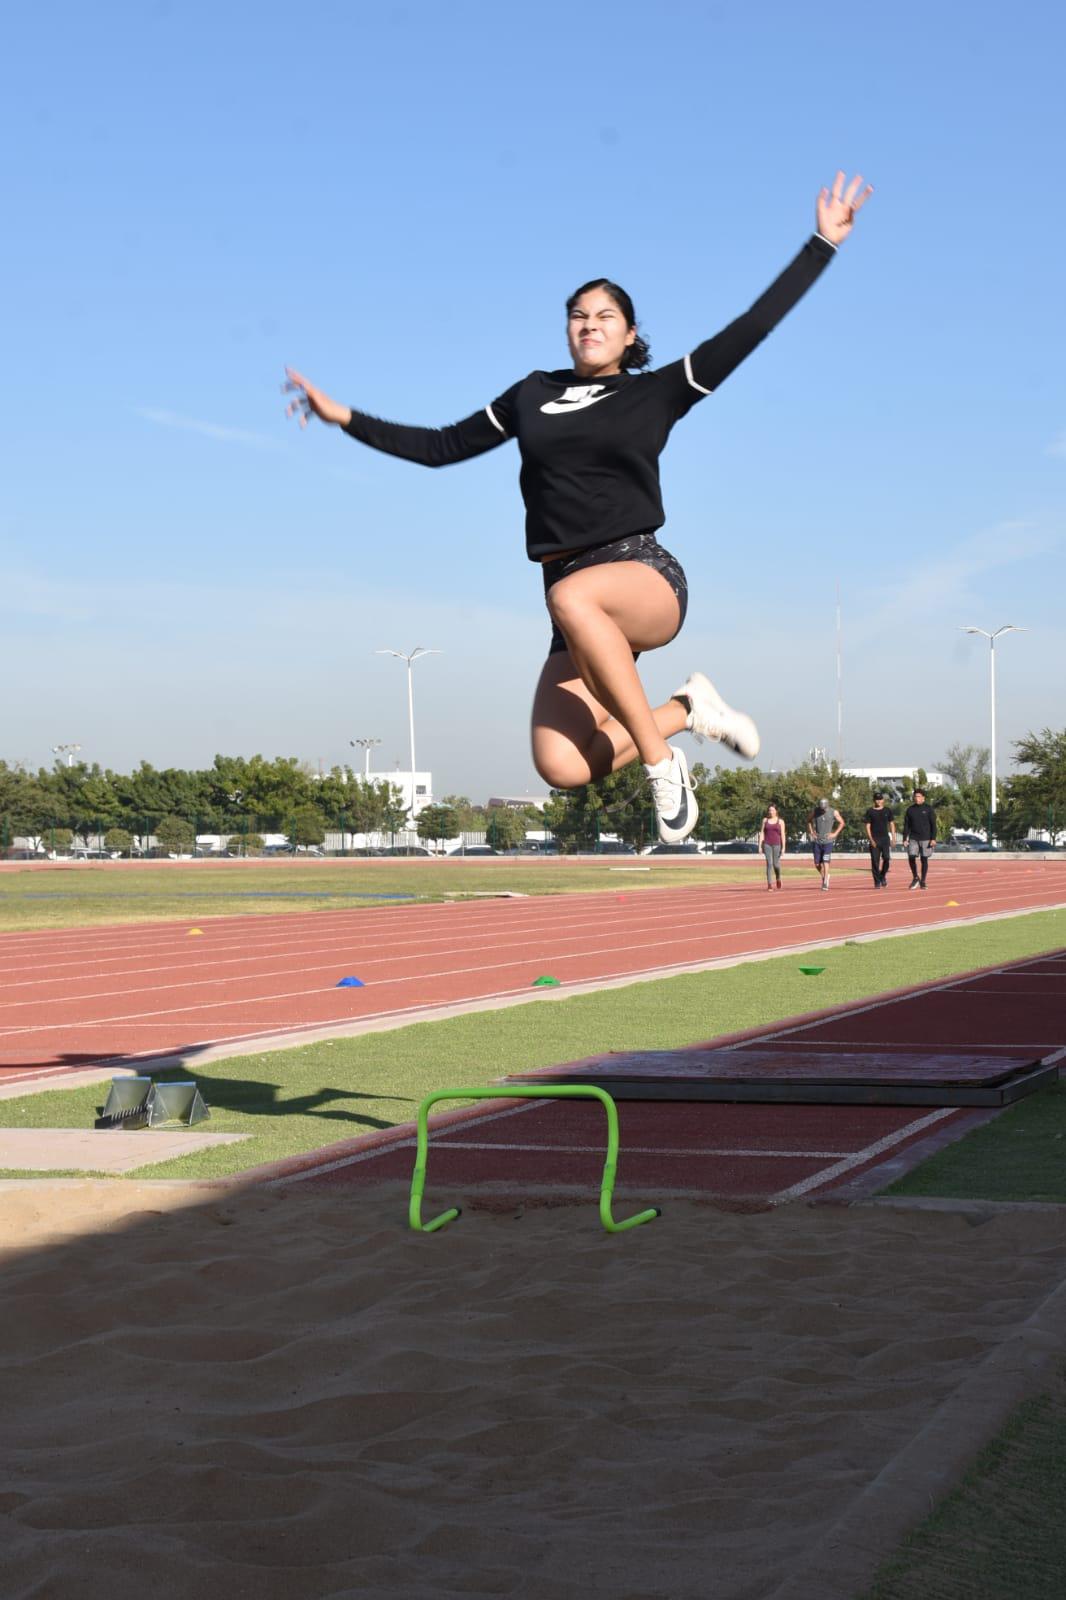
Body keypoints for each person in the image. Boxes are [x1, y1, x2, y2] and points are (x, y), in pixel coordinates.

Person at [283, 173, 872, 845]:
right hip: (572, 600)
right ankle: (684, 711)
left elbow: (751, 327)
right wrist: (345, 418)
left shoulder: (656, 392)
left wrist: (821, 244)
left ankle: (661, 766)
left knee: (573, 598)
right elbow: (442, 446)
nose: (589, 325)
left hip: (640, 574)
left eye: (605, 317)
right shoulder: (530, 394)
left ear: (629, 336)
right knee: (562, 763)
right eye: (578, 315)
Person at [903, 787, 938, 889]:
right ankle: (915, 877)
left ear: (923, 798)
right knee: (911, 856)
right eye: (915, 796)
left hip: (926, 838)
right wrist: (905, 838)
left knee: (924, 859)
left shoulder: (929, 809)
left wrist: (933, 838)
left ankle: (923, 881)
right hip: (913, 838)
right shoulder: (910, 810)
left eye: (918, 796)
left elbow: (933, 825)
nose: (916, 798)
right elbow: (906, 825)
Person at [808, 797, 845, 891]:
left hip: (828, 841)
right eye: (821, 808)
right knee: (817, 864)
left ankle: (825, 883)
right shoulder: (815, 811)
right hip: (817, 841)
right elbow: (808, 820)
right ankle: (825, 876)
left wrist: (835, 833)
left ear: (827, 806)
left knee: (826, 860)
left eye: (824, 808)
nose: (822, 810)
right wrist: (812, 832)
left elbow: (842, 823)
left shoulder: (834, 812)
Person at [863, 791, 897, 889]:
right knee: (875, 861)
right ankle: (877, 882)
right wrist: (871, 839)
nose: (878, 801)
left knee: (886, 858)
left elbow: (891, 824)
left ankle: (882, 876)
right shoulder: (870, 811)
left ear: (883, 800)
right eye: (877, 799)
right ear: (874, 800)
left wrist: (893, 838)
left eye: (880, 799)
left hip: (885, 839)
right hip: (874, 839)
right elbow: (867, 826)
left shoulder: (887, 810)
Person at [758, 802, 787, 891]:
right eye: (769, 810)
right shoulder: (765, 820)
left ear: (776, 811)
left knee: (776, 865)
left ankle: (778, 878)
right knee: (769, 864)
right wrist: (760, 846)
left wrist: (783, 848)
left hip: (777, 845)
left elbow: (782, 835)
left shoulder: (780, 821)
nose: (771, 812)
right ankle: (769, 884)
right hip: (767, 844)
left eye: (773, 810)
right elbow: (762, 833)